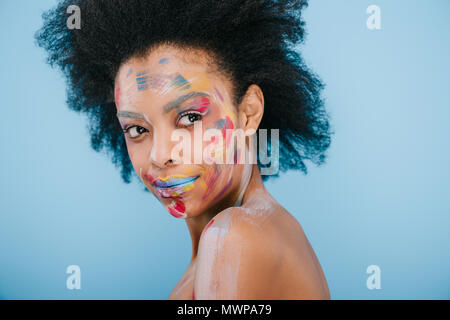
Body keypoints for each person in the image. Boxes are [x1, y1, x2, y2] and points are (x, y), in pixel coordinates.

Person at [36, 0, 331, 299]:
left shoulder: (232, 237)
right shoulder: (261, 230)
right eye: (137, 129)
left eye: (190, 118)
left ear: (249, 112)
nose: (160, 155)